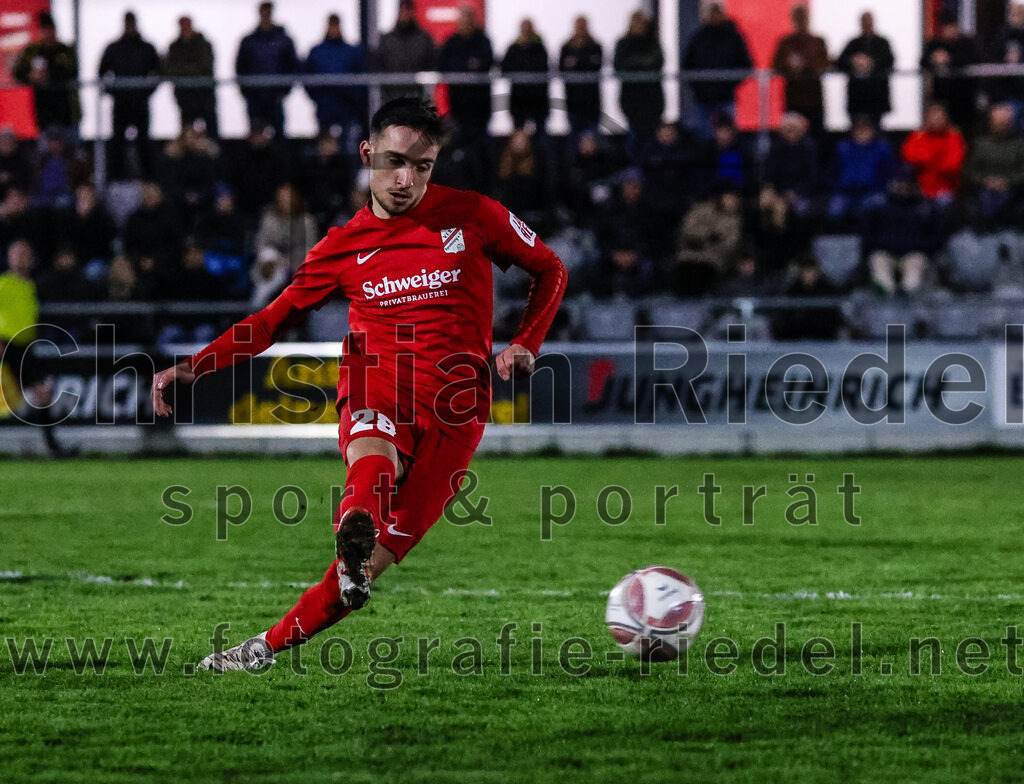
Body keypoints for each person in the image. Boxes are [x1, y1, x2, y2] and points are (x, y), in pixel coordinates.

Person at [151, 99, 566, 671]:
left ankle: (263, 648)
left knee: (363, 575)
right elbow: (271, 320)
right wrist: (196, 365)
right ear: (367, 154)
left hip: (457, 411)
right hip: (377, 384)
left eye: (421, 166)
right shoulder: (342, 245)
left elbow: (551, 269)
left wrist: (526, 341)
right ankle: (354, 526)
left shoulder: (475, 215)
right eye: (394, 161)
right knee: (372, 463)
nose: (405, 179)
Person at [98, 12, 161, 180]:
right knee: (117, 144)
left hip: (140, 104)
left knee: (144, 144)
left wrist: (146, 92)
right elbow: (102, 73)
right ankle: (116, 181)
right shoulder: (114, 48)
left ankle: (149, 182)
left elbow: (158, 73)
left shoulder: (146, 48)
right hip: (121, 104)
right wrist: (114, 92)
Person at [682, 2, 753, 140]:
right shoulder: (698, 37)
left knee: (729, 138)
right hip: (702, 99)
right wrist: (699, 87)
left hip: (726, 98)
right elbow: (687, 65)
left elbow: (747, 64)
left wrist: (729, 83)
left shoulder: (733, 37)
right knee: (704, 137)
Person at [235, 1, 299, 137]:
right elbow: (240, 68)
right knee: (256, 137)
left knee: (278, 137)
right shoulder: (248, 41)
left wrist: (284, 91)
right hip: (255, 97)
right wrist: (247, 92)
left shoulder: (284, 41)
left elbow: (292, 66)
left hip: (276, 97)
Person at [303, 14, 367, 150]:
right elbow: (307, 77)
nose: (333, 29)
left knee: (348, 146)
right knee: (325, 147)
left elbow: (360, 77)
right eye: (331, 25)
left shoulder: (351, 51)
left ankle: (350, 171)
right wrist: (318, 98)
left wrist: (353, 98)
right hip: (325, 108)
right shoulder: (317, 52)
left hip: (347, 108)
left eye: (335, 25)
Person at [13, 12, 79, 136]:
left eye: (49, 29)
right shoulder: (32, 51)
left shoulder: (64, 51)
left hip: (65, 109)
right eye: (44, 29)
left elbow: (72, 71)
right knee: (45, 146)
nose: (47, 33)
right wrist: (31, 76)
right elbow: (18, 72)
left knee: (68, 147)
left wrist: (49, 76)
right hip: (43, 108)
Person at [771, 5, 829, 139]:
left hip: (813, 98)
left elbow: (826, 63)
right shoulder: (786, 43)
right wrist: (788, 66)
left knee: (816, 137)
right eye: (798, 18)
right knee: (791, 138)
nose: (801, 21)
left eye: (803, 18)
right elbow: (775, 65)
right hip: (793, 97)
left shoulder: (817, 42)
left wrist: (806, 64)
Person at [964, 103, 1024, 229]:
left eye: (1005, 122)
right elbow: (970, 170)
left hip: (1011, 188)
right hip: (984, 187)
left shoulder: (1019, 145)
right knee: (984, 201)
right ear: (991, 123)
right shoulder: (980, 144)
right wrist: (986, 181)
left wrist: (1007, 182)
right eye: (998, 122)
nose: (1002, 126)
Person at [438, 6, 494, 139]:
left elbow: (487, 62)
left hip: (480, 104)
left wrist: (464, 66)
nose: (466, 22)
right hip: (458, 102)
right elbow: (443, 65)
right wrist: (467, 65)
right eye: (464, 18)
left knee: (480, 141)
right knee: (459, 140)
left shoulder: (483, 41)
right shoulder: (451, 42)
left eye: (469, 19)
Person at [921, 12, 977, 137]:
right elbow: (922, 62)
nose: (949, 31)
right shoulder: (934, 44)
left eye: (951, 28)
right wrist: (933, 59)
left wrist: (949, 59)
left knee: (963, 132)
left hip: (963, 98)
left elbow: (971, 60)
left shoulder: (966, 43)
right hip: (942, 96)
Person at [900, 102, 966, 207]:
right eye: (933, 116)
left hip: (945, 189)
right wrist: (936, 158)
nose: (936, 119)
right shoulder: (917, 136)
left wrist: (926, 161)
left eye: (940, 117)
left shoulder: (953, 137)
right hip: (919, 188)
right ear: (927, 118)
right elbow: (908, 156)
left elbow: (953, 165)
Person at [613, 11, 664, 144]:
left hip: (652, 98)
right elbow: (619, 64)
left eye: (641, 23)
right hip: (631, 98)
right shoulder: (623, 44)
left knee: (652, 137)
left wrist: (634, 65)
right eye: (636, 23)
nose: (639, 26)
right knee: (634, 137)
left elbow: (657, 62)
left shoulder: (652, 43)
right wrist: (643, 63)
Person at [836, 12, 895, 126]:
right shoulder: (853, 43)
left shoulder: (882, 43)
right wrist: (853, 62)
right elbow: (840, 62)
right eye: (864, 21)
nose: (867, 24)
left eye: (869, 21)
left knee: (876, 129)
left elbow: (889, 61)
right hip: (857, 96)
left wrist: (871, 63)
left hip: (877, 95)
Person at [371, 0, 436, 104]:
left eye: (407, 10)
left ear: (413, 12)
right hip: (391, 99)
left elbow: (431, 65)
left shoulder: (424, 39)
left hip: (417, 99)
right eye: (402, 10)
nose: (405, 14)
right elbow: (378, 66)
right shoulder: (387, 39)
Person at [162, 16, 218, 137]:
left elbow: (205, 67)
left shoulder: (203, 45)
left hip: (205, 97)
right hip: (185, 99)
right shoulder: (175, 47)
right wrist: (189, 70)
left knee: (212, 136)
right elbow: (169, 70)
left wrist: (182, 70)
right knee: (186, 137)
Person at [501, 19, 550, 133]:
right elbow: (505, 67)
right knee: (518, 132)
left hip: (538, 98)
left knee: (540, 133)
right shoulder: (513, 48)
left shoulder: (540, 48)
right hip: (519, 99)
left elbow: (542, 67)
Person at [558, 16, 604, 136]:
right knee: (574, 136)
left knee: (594, 137)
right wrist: (586, 62)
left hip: (592, 99)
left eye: (583, 26)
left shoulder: (595, 46)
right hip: (573, 99)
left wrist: (576, 63)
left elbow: (597, 65)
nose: (581, 29)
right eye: (579, 26)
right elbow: (562, 67)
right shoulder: (566, 47)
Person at [982, 3, 1024, 118]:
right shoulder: (1002, 35)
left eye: (1021, 11)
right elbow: (991, 59)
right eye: (1015, 11)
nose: (1018, 15)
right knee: (1001, 116)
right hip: (1008, 95)